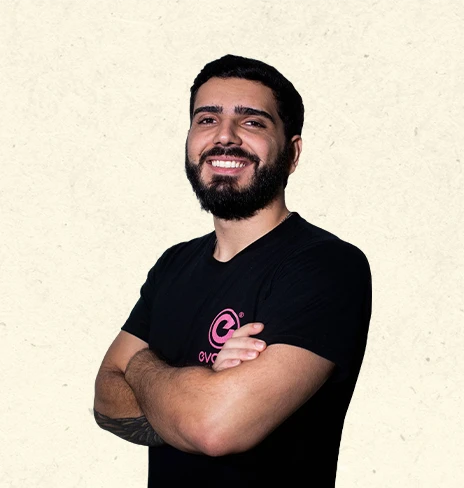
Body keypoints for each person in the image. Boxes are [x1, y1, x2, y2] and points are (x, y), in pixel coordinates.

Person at [93, 54, 372, 486]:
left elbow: (214, 429)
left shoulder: (327, 266)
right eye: (207, 120)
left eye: (252, 122)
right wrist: (200, 390)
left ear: (293, 153)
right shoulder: (174, 264)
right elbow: (104, 399)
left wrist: (141, 366)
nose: (225, 136)